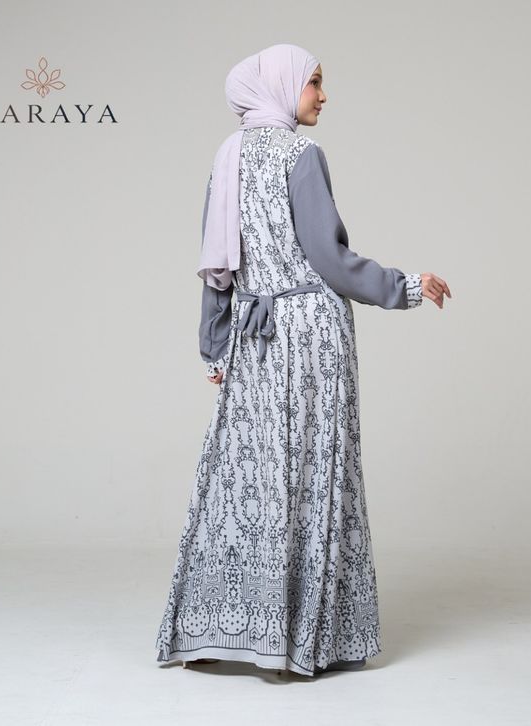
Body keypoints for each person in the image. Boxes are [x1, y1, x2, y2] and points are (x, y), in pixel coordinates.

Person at [154, 43, 451, 678]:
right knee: (314, 475)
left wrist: (214, 343)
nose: (322, 95)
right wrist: (405, 286)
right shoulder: (301, 154)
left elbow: (217, 268)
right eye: (314, 82)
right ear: (283, 86)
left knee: (252, 479)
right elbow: (330, 260)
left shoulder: (227, 159)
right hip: (310, 336)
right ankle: (304, 640)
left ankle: (237, 630)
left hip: (253, 335)